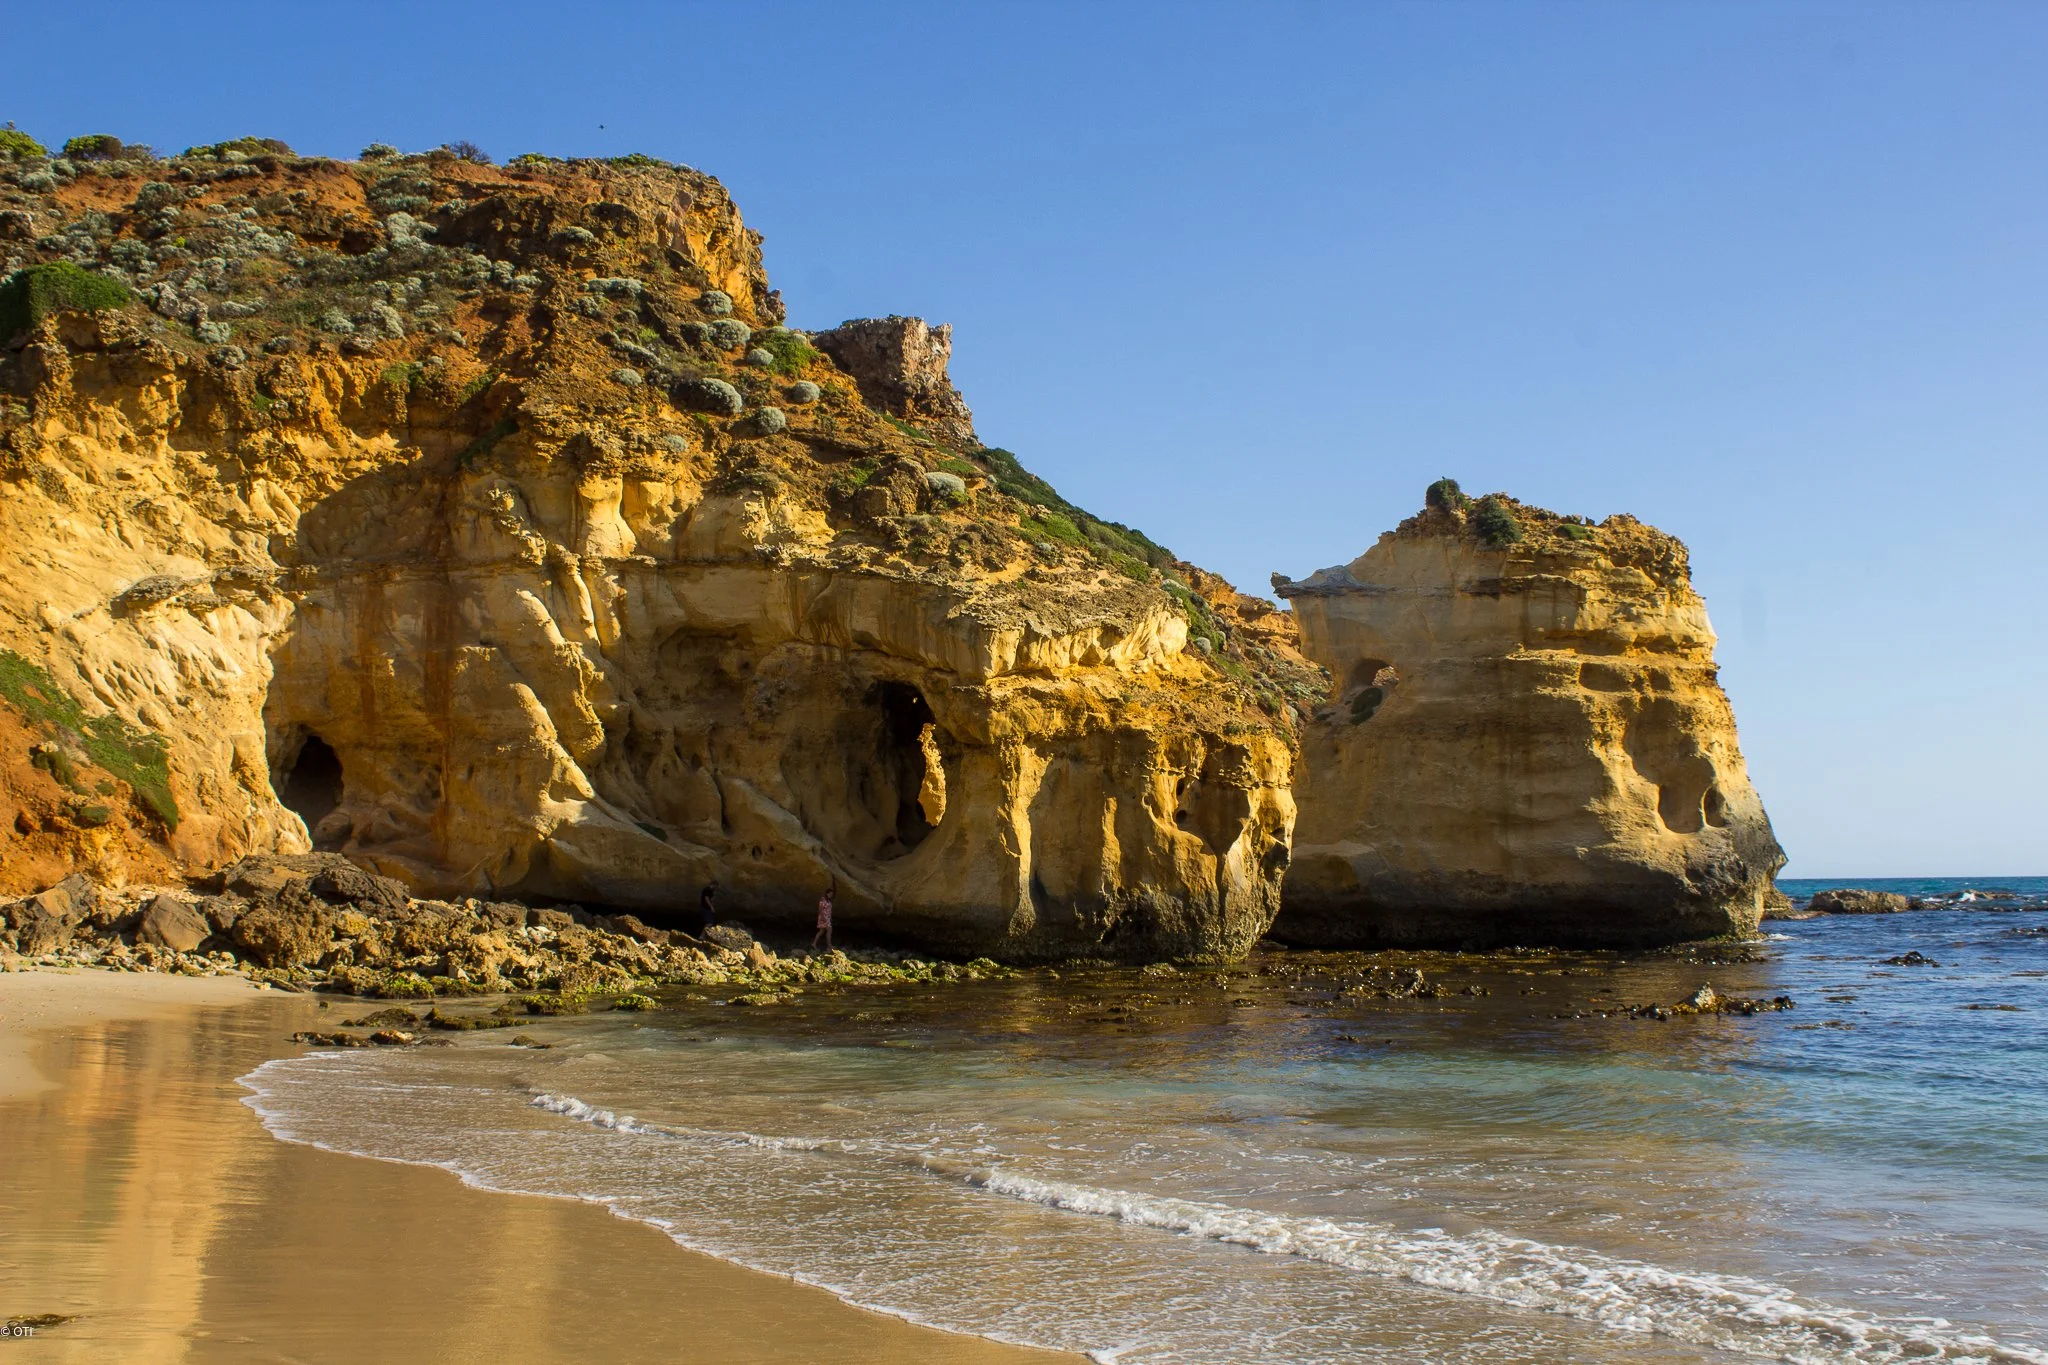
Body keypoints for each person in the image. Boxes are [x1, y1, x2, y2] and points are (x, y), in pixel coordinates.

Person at [812, 887, 835, 952]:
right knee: (829, 930)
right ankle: (829, 946)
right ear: (827, 893)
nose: (831, 895)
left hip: (827, 918)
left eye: (832, 894)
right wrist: (824, 918)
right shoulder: (823, 899)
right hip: (823, 918)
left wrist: (830, 918)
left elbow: (829, 910)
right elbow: (820, 910)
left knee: (822, 931)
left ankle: (814, 943)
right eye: (830, 894)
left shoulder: (828, 900)